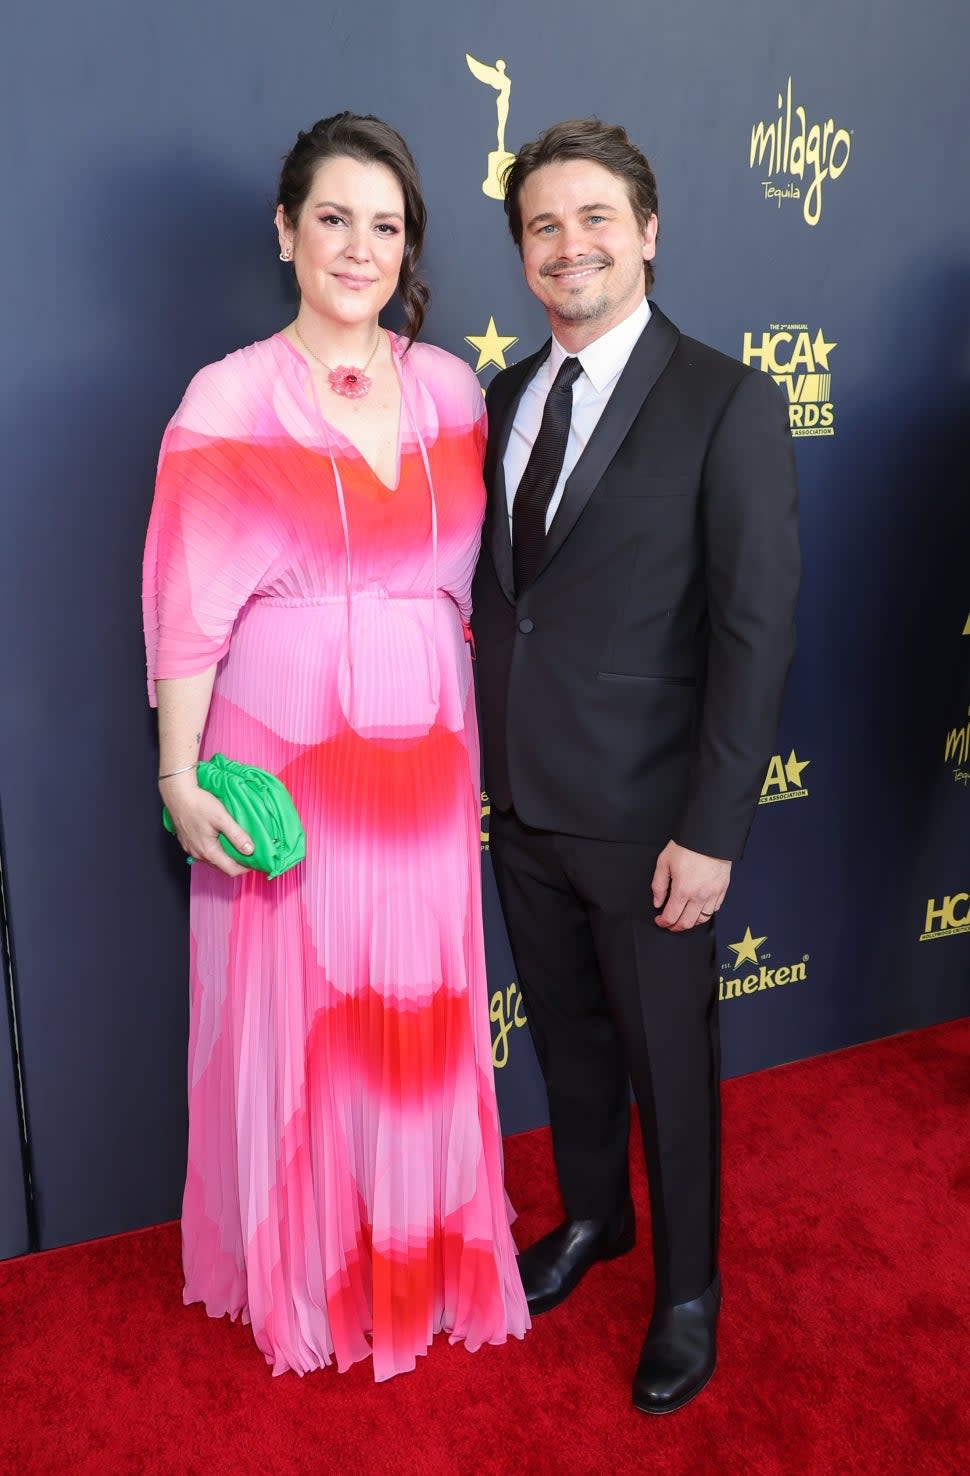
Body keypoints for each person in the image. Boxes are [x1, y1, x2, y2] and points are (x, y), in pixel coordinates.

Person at [142, 112, 528, 1382]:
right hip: (286, 755)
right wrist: (178, 774)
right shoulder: (227, 396)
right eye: (333, 218)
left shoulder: (452, 390)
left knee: (409, 1009)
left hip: (424, 758)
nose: (359, 248)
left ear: (408, 242)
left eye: (385, 224)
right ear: (285, 230)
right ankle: (305, 1268)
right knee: (300, 1011)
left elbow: (482, 588)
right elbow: (188, 608)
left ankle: (409, 1253)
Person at [471, 119, 799, 1413]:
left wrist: (712, 829)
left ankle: (686, 1295)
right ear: (521, 252)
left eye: (595, 217)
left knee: (670, 1063)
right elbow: (516, 604)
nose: (570, 245)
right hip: (524, 808)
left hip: (654, 821)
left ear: (647, 233)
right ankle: (592, 1220)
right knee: (568, 1046)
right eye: (543, 225)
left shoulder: (726, 399)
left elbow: (753, 627)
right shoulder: (501, 396)